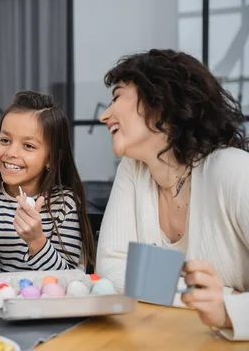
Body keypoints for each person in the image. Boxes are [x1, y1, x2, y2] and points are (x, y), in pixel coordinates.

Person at [96, 49, 249, 341]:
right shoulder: (133, 168)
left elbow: (126, 275)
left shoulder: (234, 170)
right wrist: (226, 297)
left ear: (160, 102)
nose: (105, 115)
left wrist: (229, 312)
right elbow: (111, 270)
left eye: (116, 97)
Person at [0, 91, 95, 279]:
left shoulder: (64, 204)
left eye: (28, 146)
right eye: (5, 140)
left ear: (51, 159)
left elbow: (67, 280)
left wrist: (36, 240)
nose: (11, 152)